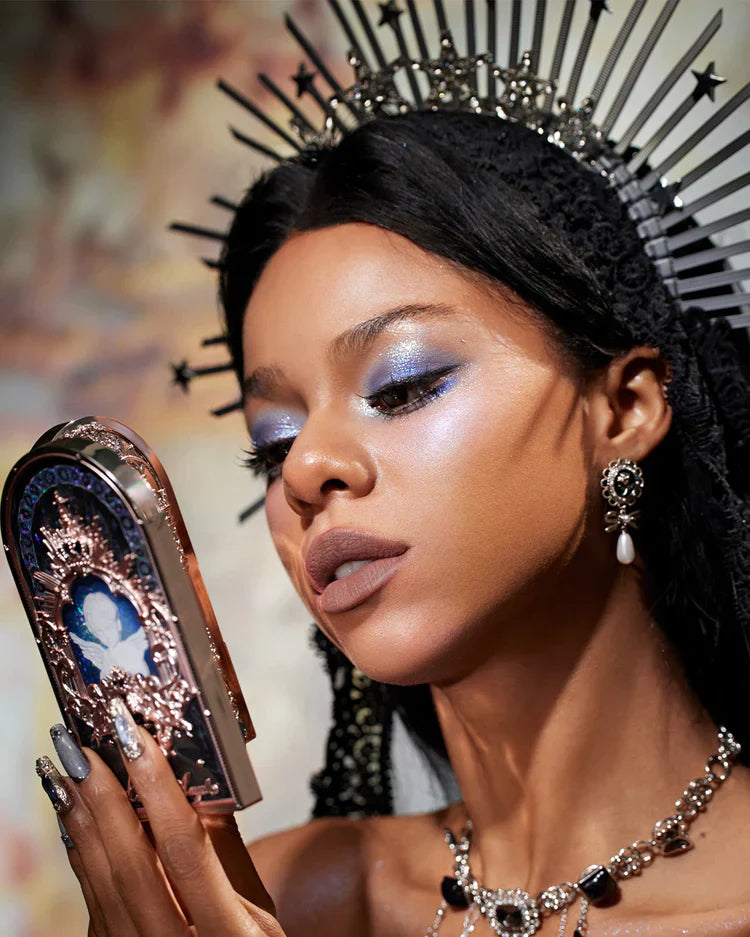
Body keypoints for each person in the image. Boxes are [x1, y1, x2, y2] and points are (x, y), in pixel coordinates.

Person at [34, 3, 750, 935]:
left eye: (403, 385)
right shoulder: (281, 902)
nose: (306, 470)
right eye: (273, 442)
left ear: (624, 409)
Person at [70, 590, 151, 680]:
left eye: (108, 628)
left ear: (118, 624)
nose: (106, 636)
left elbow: (143, 673)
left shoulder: (131, 648)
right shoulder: (105, 658)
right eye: (99, 632)